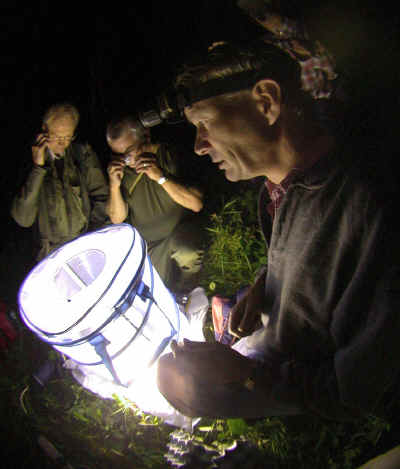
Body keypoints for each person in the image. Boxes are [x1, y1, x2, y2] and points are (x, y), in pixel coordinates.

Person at [156, 40, 400, 421]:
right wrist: (265, 286)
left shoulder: (370, 208)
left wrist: (246, 378)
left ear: (266, 102)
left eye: (203, 123)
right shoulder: (281, 188)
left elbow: (355, 392)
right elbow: (308, 263)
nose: (199, 146)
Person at [105, 116, 205, 294]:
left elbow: (196, 204)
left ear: (146, 135)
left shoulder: (170, 155)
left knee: (187, 252)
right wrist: (114, 186)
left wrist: (160, 177)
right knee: (153, 292)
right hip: (148, 245)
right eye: (119, 155)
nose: (127, 160)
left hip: (178, 235)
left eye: (130, 151)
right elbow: (116, 218)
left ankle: (189, 287)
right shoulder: (121, 172)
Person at [11, 103, 109, 260]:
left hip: (85, 245)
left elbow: (102, 197)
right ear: (44, 130)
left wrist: (92, 235)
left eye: (68, 137)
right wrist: (38, 168)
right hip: (50, 255)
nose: (62, 143)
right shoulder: (27, 161)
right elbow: (23, 218)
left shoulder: (82, 154)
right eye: (57, 136)